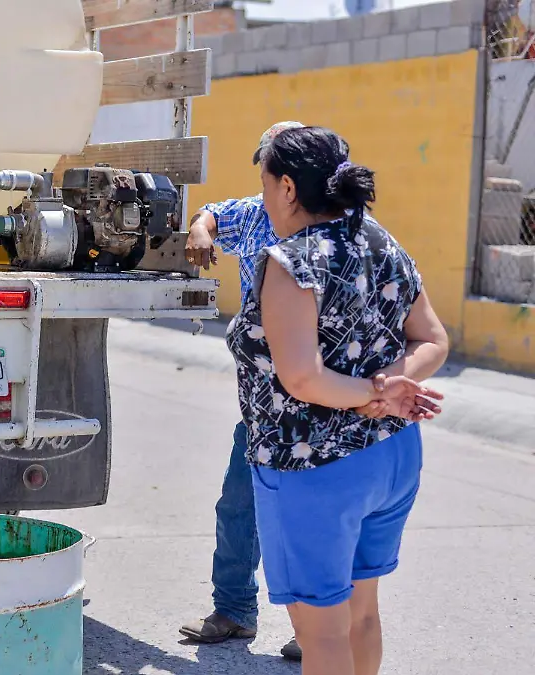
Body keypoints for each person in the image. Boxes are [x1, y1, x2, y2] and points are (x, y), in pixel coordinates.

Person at [227, 126, 448, 675]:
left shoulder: (292, 262)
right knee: (362, 616)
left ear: (286, 187)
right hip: (391, 456)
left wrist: (372, 394)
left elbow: (302, 379)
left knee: (321, 632)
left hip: (313, 467)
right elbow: (433, 340)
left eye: (264, 185)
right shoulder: (379, 240)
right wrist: (388, 393)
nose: (263, 199)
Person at [179, 121, 307, 661]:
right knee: (238, 507)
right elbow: (214, 212)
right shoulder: (257, 214)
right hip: (258, 408)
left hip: (314, 411)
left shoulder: (333, 231)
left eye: (272, 167)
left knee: (306, 518)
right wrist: (201, 229)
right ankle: (233, 611)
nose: (265, 177)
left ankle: (317, 625)